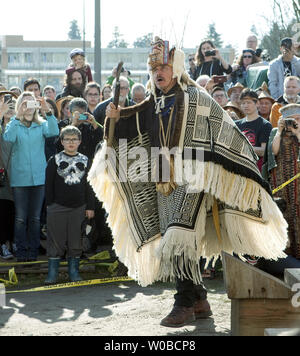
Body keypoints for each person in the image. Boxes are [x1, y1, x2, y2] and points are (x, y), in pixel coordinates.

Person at [89, 36, 288, 328]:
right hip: (163, 178)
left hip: (195, 177)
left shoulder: (196, 97)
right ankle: (199, 299)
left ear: (177, 67)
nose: (158, 72)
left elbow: (225, 132)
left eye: (164, 66)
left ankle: (182, 303)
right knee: (178, 238)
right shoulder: (153, 102)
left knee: (179, 235)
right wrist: (116, 118)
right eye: (154, 67)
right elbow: (132, 128)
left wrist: (217, 171)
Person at [3, 92, 59, 262]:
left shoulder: (41, 125)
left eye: (31, 103)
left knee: (35, 218)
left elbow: (54, 132)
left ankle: (32, 251)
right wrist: (17, 116)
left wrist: (47, 111)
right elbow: (8, 138)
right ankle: (20, 250)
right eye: (24, 103)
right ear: (20, 105)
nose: (28, 107)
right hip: (20, 178)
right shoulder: (15, 125)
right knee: (20, 217)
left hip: (39, 178)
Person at [45, 126, 95, 285]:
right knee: (56, 240)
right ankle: (53, 273)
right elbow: (48, 184)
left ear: (80, 141)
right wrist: (50, 205)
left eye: (74, 139)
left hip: (79, 207)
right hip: (57, 207)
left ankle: (74, 271)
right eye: (67, 139)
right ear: (62, 142)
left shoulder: (86, 161)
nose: (71, 142)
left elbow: (91, 186)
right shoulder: (55, 160)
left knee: (76, 240)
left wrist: (90, 207)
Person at [263, 104, 300, 264]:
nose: (292, 122)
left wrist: (297, 132)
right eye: (289, 120)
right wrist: (279, 131)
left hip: (298, 177)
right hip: (280, 179)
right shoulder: (274, 132)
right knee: (283, 214)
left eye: (297, 118)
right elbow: (274, 152)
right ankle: (287, 256)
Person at [235, 89, 272, 172]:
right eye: (243, 103)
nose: (245, 105)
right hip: (239, 166)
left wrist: (243, 147)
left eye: (248, 102)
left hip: (256, 169)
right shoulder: (236, 125)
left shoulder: (265, 125)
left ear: (257, 103)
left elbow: (263, 151)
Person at [0, 92, 16, 259]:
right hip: (3, 179)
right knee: (4, 212)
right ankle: (4, 245)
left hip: (20, 177)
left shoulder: (20, 127)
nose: (9, 110)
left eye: (13, 107)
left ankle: (14, 242)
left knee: (17, 214)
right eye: (7, 107)